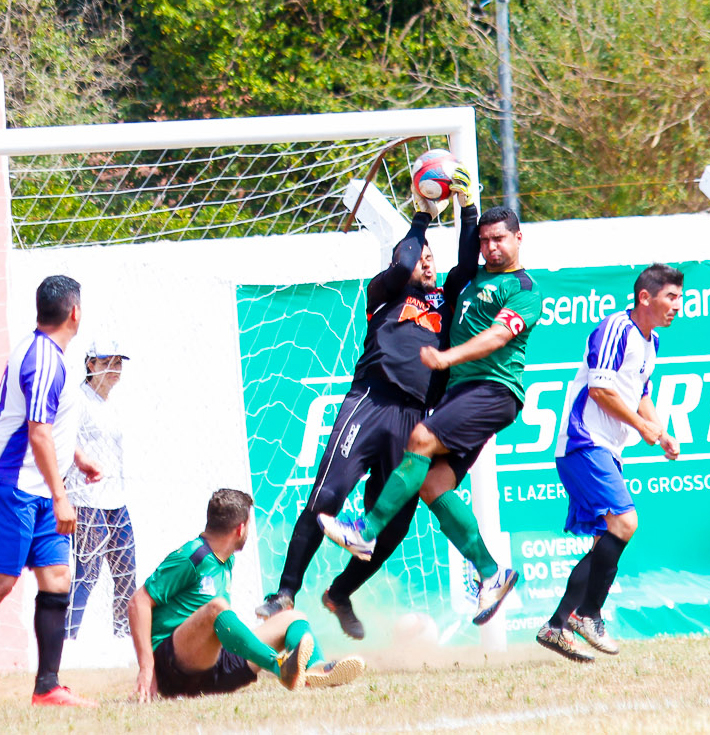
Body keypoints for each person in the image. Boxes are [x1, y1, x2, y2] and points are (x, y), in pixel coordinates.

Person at [255, 166, 480, 639]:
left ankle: (339, 593)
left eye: (431, 258)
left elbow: (467, 267)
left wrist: (468, 208)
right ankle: (286, 592)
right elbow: (401, 264)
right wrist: (421, 218)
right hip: (371, 402)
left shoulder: (445, 301)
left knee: (393, 524)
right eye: (421, 255)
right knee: (326, 497)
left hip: (416, 418)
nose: (427, 262)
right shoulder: (386, 290)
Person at [320, 204, 544, 626]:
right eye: (485, 240)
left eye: (500, 239)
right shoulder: (470, 280)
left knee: (420, 440)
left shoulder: (524, 288)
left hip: (493, 390)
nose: (492, 247)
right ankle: (492, 574)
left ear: (518, 239)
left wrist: (447, 358)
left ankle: (365, 533)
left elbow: (498, 336)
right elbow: (462, 258)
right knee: (432, 485)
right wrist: (466, 209)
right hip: (463, 394)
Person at [0, 275, 103, 707]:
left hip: (40, 487)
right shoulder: (45, 359)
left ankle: (47, 686)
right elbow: (37, 433)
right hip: (13, 487)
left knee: (56, 578)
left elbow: (52, 427)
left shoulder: (50, 355)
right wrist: (61, 494)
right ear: (75, 312)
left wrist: (77, 457)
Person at [537, 264, 683, 662]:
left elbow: (638, 394)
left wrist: (660, 430)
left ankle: (557, 625)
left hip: (607, 450)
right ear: (645, 298)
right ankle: (589, 614)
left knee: (607, 540)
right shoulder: (615, 328)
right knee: (626, 522)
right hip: (583, 443)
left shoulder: (651, 343)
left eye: (679, 298)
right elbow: (601, 390)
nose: (677, 306)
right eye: (671, 297)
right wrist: (641, 426)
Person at [128, 488, 365, 701]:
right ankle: (279, 665)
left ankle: (314, 669)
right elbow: (138, 602)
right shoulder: (192, 557)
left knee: (292, 617)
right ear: (241, 528)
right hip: (173, 669)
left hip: (215, 669)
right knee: (217, 607)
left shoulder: (226, 558)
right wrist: (147, 666)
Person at [65, 339, 136, 640]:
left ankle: (122, 639)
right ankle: (66, 640)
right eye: (107, 361)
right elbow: (63, 445)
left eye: (119, 362)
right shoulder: (77, 401)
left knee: (126, 575)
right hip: (84, 499)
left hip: (115, 500)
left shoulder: (113, 405)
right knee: (87, 573)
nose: (114, 368)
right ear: (90, 365)